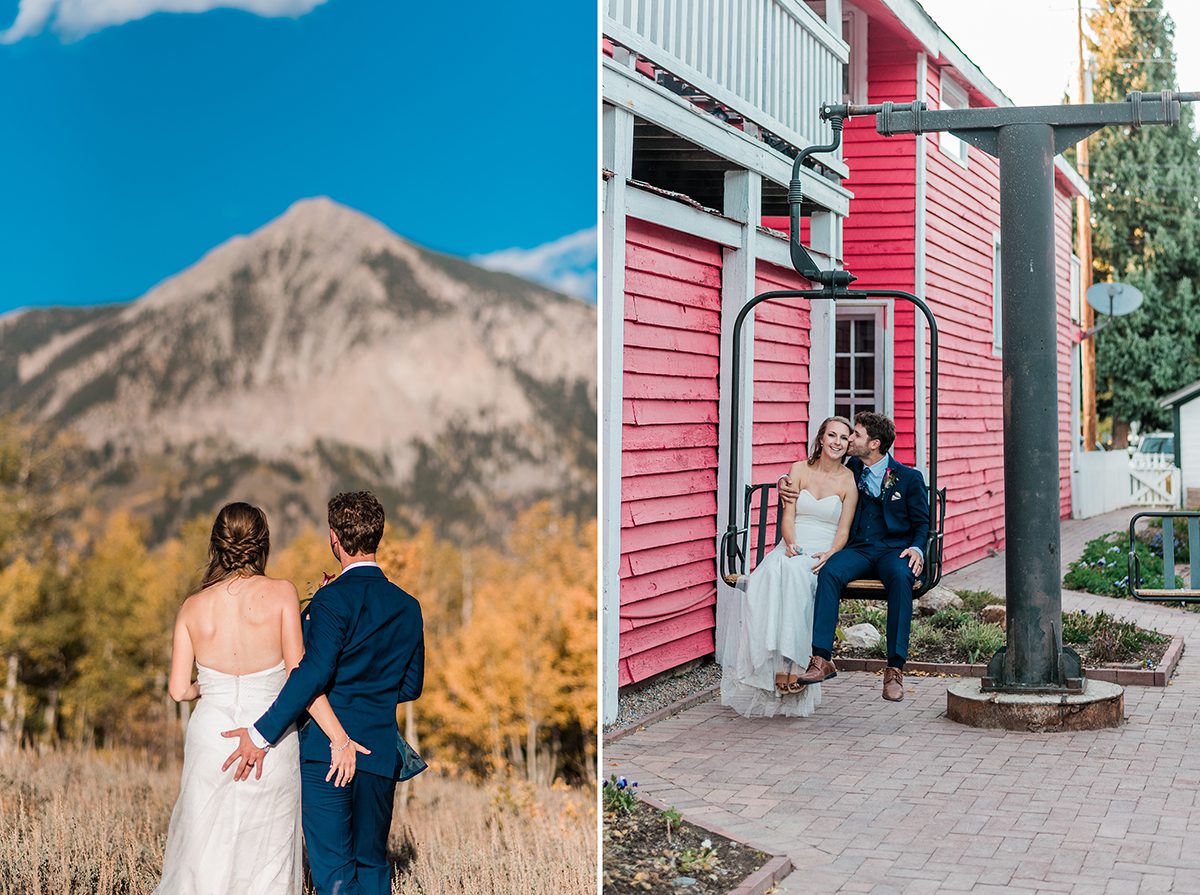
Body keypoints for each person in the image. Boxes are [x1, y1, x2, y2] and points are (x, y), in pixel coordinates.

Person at [222, 491, 425, 895]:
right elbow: (411, 685)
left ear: (334, 538)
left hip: (326, 754)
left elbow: (311, 672)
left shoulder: (331, 599)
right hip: (380, 754)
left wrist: (262, 735)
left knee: (334, 872)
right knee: (372, 865)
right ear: (377, 537)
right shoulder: (408, 606)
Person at [155, 502, 359, 895]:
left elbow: (179, 690)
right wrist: (339, 736)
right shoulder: (282, 593)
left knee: (205, 849)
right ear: (262, 544)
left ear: (216, 545)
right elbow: (300, 677)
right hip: (270, 734)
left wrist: (208, 687)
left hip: (211, 736)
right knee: (267, 851)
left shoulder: (191, 607)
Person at [784, 411, 930, 702]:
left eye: (857, 434)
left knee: (902, 577)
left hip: (893, 551)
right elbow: (816, 468)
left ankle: (894, 669)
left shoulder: (909, 478)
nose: (849, 439)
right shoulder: (852, 467)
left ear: (874, 443)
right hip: (860, 549)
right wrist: (782, 481)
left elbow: (922, 523)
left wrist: (916, 549)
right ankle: (821, 658)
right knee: (829, 570)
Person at [718, 416, 858, 717]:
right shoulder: (798, 470)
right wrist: (791, 544)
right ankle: (778, 665)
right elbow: (789, 517)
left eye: (843, 438)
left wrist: (831, 553)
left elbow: (844, 530)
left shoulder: (849, 479)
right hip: (794, 544)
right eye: (831, 435)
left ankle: (794, 663)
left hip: (823, 550)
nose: (836, 442)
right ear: (820, 438)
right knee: (772, 573)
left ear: (848, 445)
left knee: (797, 576)